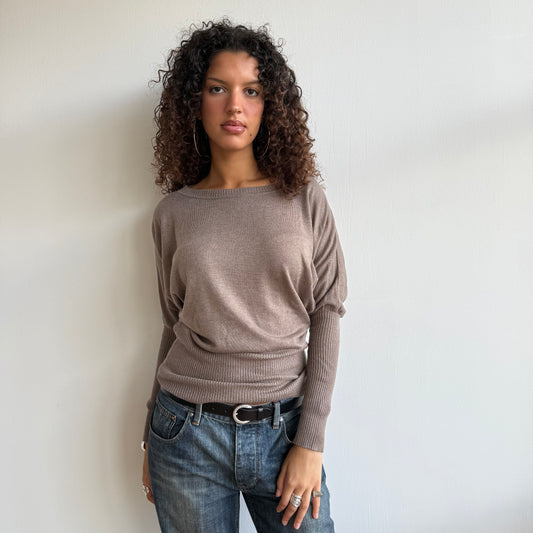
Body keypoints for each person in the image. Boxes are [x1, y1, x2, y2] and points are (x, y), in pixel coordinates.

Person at [141, 18, 347, 533]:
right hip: (184, 433)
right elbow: (173, 325)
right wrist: (152, 436)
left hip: (285, 430)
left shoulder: (304, 199)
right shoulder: (173, 213)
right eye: (218, 89)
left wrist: (311, 441)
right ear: (195, 102)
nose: (235, 105)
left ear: (268, 104)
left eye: (251, 91)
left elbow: (327, 312)